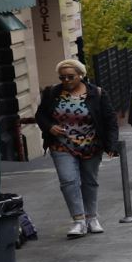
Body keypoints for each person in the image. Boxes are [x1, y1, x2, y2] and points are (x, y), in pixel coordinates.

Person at [34, 59, 118, 239]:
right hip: (61, 144)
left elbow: (110, 120)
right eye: (62, 77)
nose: (66, 80)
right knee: (68, 180)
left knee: (89, 181)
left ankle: (92, 217)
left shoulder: (97, 93)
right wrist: (50, 127)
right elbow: (40, 114)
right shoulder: (51, 93)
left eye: (70, 77)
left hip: (91, 144)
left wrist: (111, 145)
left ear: (80, 75)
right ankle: (79, 220)